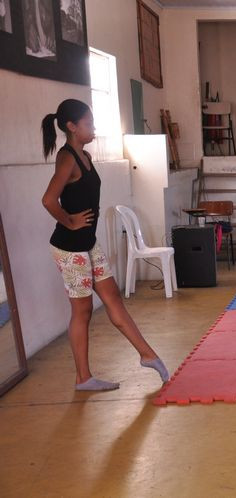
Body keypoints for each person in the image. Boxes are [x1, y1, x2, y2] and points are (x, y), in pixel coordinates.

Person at [41, 99, 169, 391]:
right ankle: (83, 378)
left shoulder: (83, 155)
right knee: (82, 312)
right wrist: (69, 221)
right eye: (89, 123)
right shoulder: (68, 158)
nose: (94, 128)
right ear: (72, 127)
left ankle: (147, 355)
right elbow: (49, 199)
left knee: (113, 299)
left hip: (88, 244)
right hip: (69, 249)